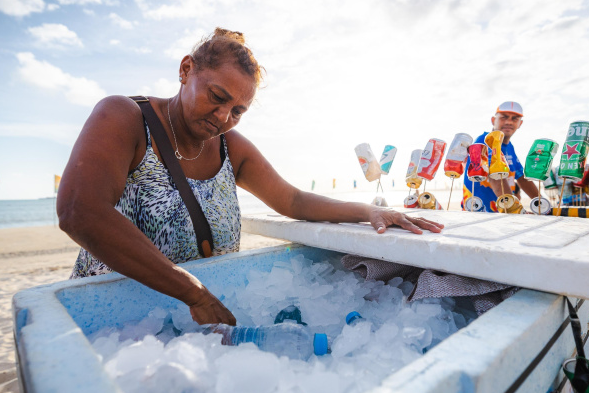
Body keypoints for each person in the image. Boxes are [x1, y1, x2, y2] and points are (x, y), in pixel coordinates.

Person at [57, 28, 442, 326]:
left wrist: (366, 211)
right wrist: (191, 291)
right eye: (217, 96)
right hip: (116, 317)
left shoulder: (231, 147)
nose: (224, 117)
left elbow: (292, 201)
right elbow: (80, 211)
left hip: (197, 318)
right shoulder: (125, 118)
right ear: (186, 69)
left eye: (238, 110)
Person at [462, 101, 540, 212]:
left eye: (515, 119)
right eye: (504, 117)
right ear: (493, 120)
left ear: (520, 124)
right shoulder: (485, 141)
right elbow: (495, 177)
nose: (509, 122)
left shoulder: (509, 147)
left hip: (499, 213)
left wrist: (541, 204)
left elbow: (522, 178)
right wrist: (515, 210)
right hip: (480, 214)